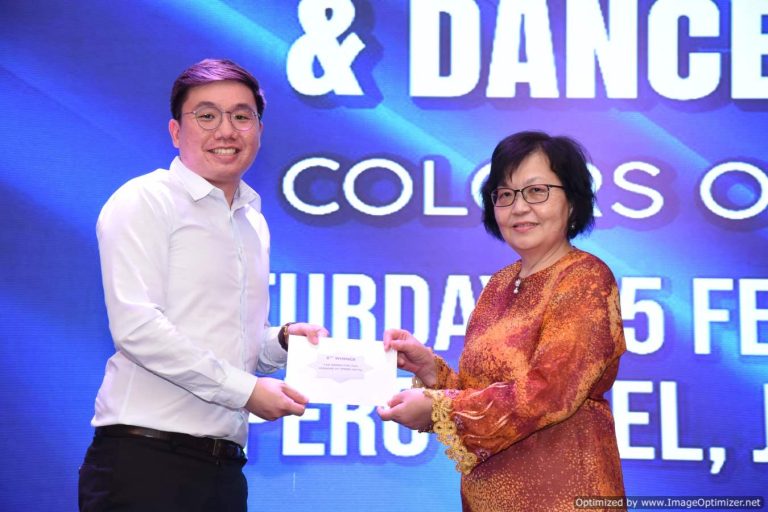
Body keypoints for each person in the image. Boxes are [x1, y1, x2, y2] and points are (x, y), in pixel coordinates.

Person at [78, 58, 328, 512]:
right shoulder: (145, 200)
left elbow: (231, 341)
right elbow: (137, 328)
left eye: (241, 116)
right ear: (176, 131)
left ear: (259, 129)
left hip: (223, 469)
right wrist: (247, 392)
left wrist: (282, 341)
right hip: (146, 463)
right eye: (207, 116)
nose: (226, 131)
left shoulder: (252, 221)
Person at [378, 131, 627, 511]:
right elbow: (484, 392)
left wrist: (440, 407)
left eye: (536, 191)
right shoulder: (499, 284)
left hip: (561, 494)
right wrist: (431, 371)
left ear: (573, 201)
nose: (519, 207)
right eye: (505, 194)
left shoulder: (585, 279)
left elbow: (548, 393)